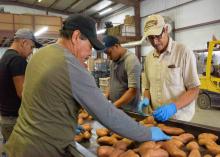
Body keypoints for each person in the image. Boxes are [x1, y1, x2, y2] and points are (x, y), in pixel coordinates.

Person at [5, 14, 170, 157]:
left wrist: (62, 123)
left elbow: (32, 96)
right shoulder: (69, 64)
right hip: (43, 151)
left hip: (19, 144)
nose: (90, 53)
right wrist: (146, 132)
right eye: (90, 46)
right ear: (76, 37)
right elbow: (107, 114)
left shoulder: (40, 55)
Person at [138, 14, 200, 122]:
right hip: (155, 117)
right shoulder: (148, 58)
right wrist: (146, 99)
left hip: (179, 119)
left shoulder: (183, 52)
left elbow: (194, 89)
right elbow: (147, 87)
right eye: (151, 38)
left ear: (166, 29)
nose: (155, 42)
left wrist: (173, 107)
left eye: (158, 36)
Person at [0, 28, 42, 142]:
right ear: (24, 43)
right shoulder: (17, 60)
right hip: (15, 120)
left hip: (6, 118)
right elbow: (23, 93)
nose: (31, 51)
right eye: (31, 47)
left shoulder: (5, 57)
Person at [102, 35, 141, 112]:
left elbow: (133, 91)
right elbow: (112, 83)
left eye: (109, 53)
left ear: (116, 46)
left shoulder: (131, 61)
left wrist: (113, 106)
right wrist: (105, 98)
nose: (108, 57)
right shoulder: (113, 61)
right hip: (117, 108)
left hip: (128, 111)